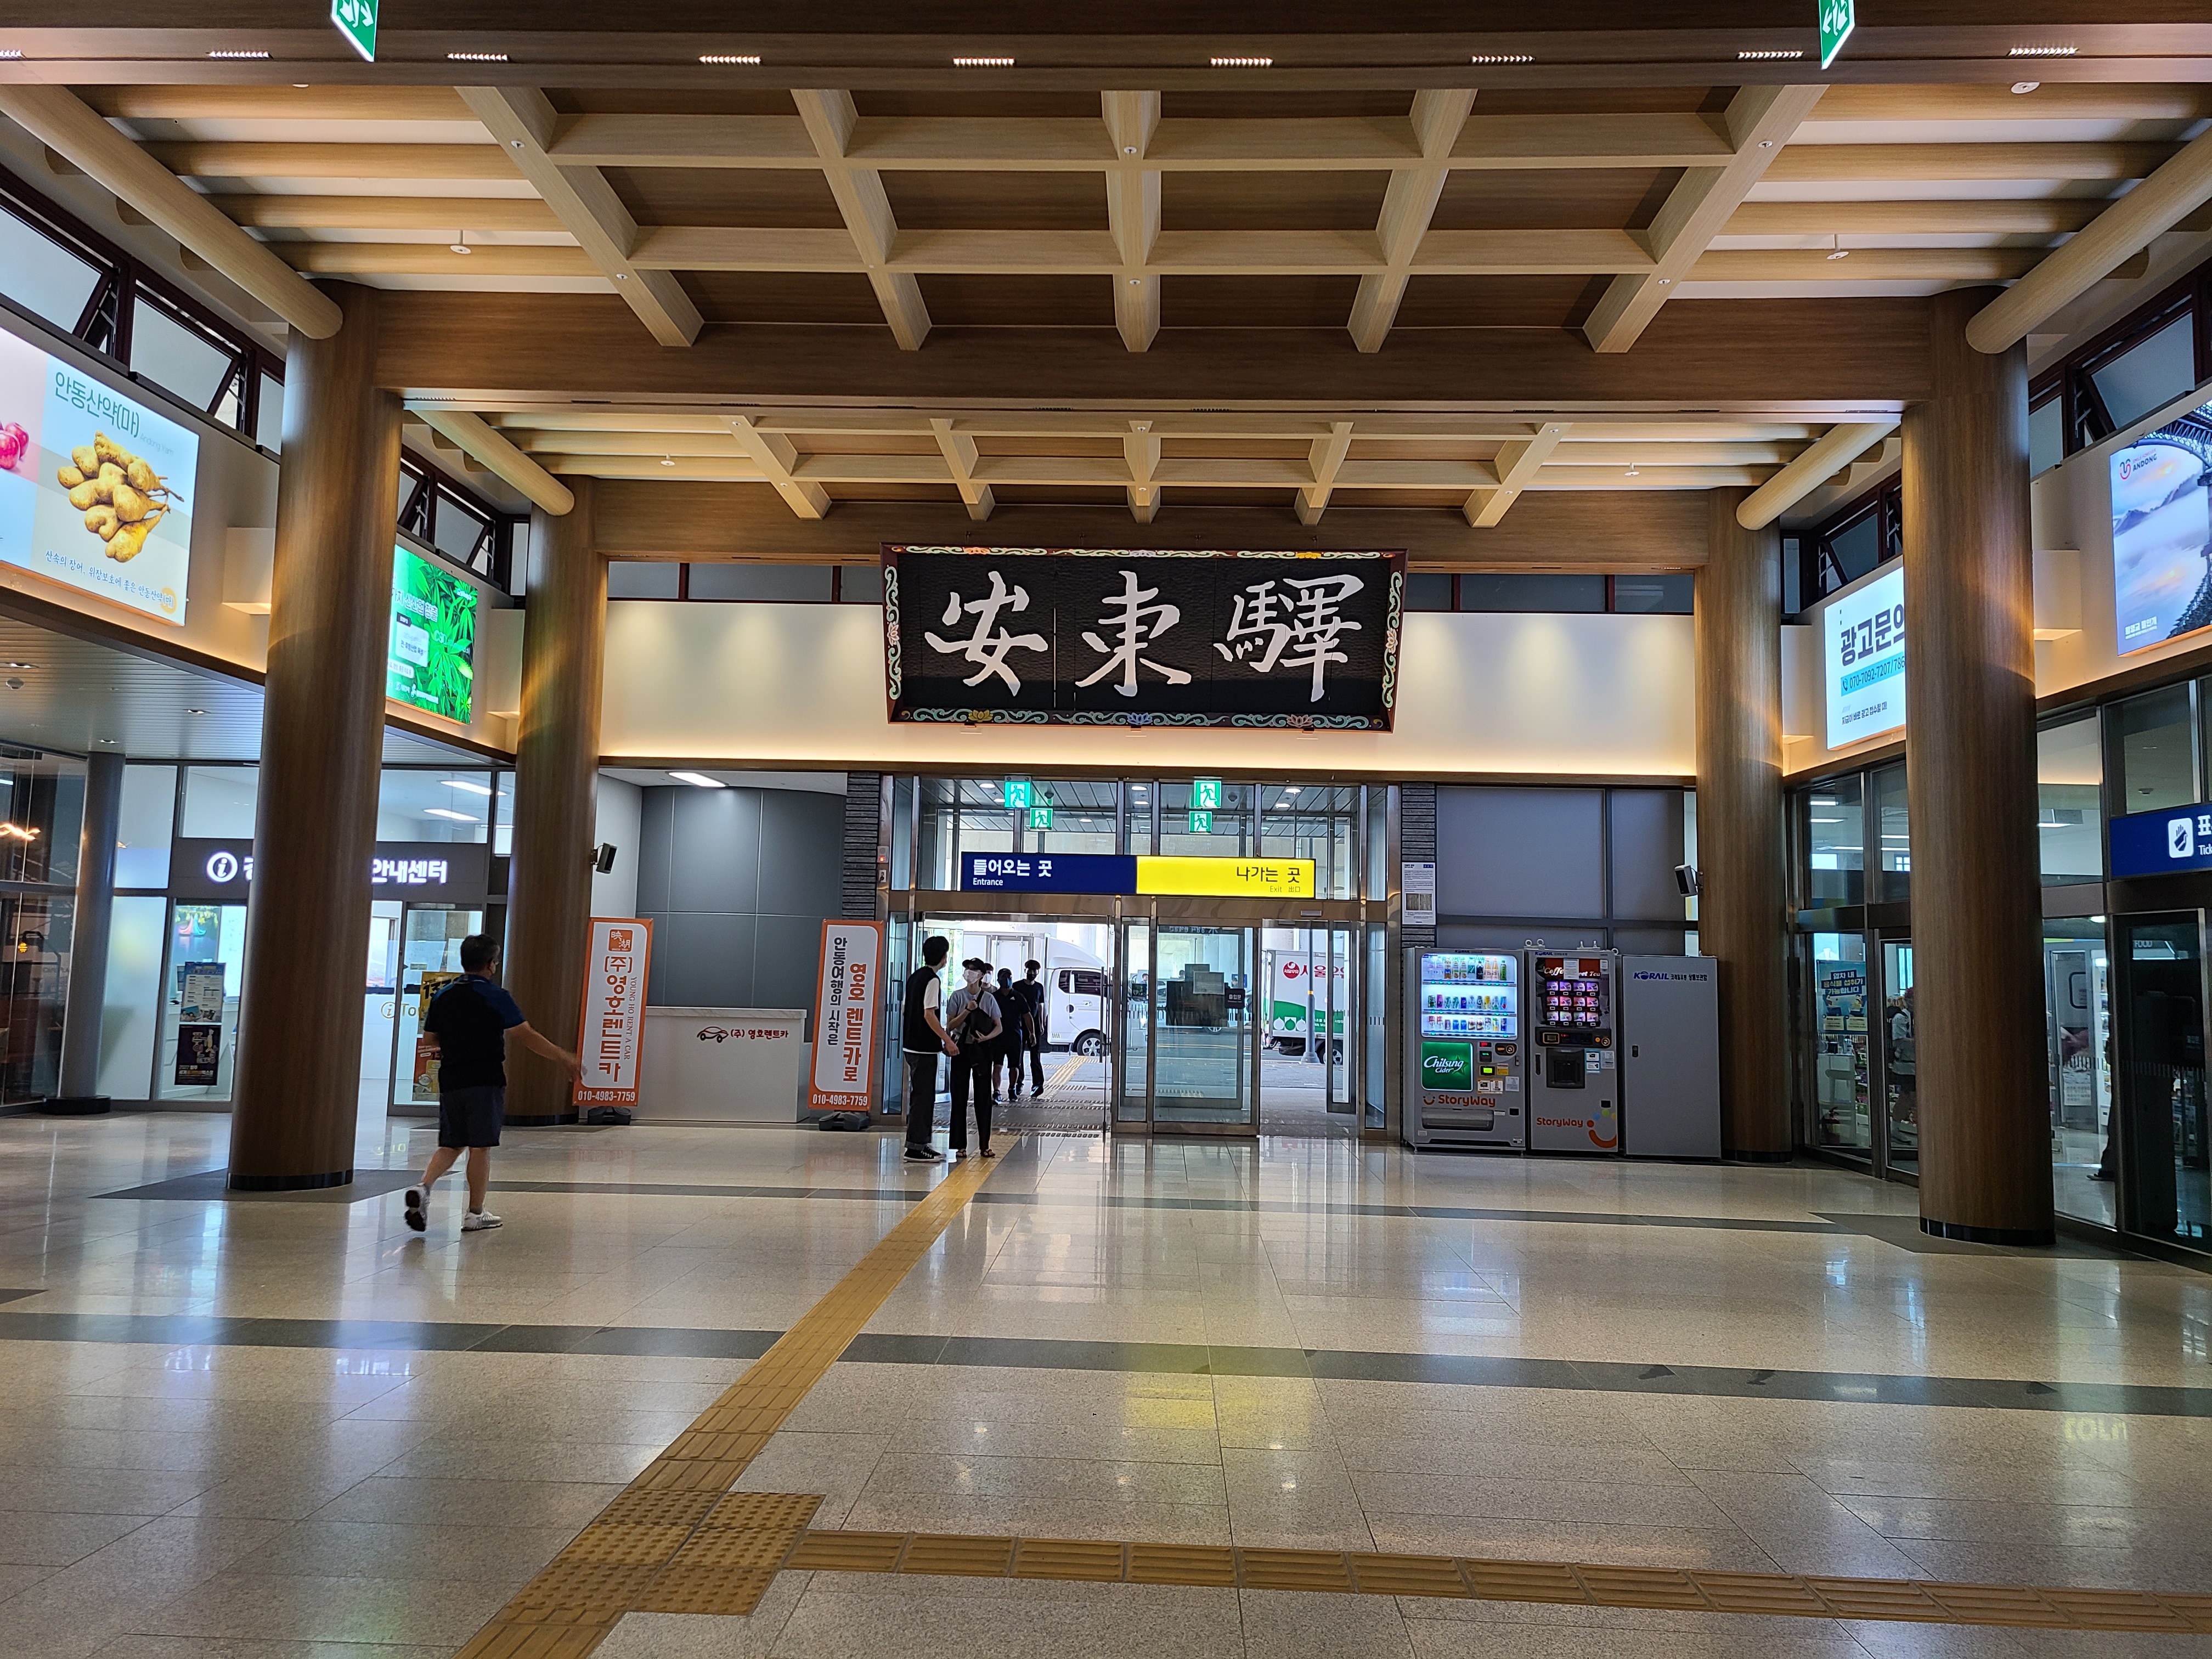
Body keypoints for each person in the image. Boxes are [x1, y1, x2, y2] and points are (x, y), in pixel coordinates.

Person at [405, 934, 580, 1234]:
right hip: (484, 1079)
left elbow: (430, 1039)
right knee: (480, 1146)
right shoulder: (495, 995)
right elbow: (525, 1035)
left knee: (451, 1143)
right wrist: (563, 1056)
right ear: (490, 965)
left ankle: (424, 1188)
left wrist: (456, 1043)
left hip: (451, 1078)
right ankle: (475, 1213)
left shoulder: (443, 995)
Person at [901, 934, 958, 1164]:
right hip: (923, 1049)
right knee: (923, 1099)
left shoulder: (915, 977)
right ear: (944, 957)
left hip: (911, 1046)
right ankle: (916, 1148)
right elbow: (929, 1014)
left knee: (920, 1096)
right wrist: (947, 1040)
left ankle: (921, 1144)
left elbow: (908, 1009)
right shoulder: (933, 980)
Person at [942, 958, 1003, 1159]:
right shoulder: (957, 996)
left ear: (982, 975)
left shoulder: (989, 999)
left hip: (982, 1051)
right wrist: (968, 1010)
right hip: (960, 1049)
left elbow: (999, 1027)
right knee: (959, 1097)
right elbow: (950, 1026)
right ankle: (960, 1145)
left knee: (983, 1098)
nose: (970, 973)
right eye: (968, 969)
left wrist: (986, 1038)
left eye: (974, 970)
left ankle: (985, 1145)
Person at [995, 966, 1026, 1101]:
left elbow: (1027, 1015)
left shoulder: (1018, 996)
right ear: (998, 980)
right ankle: (997, 1091)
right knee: (998, 1065)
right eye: (1004, 977)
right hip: (998, 1037)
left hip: (1015, 1036)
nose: (1007, 980)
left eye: (1010, 977)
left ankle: (1012, 1089)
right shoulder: (994, 997)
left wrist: (1032, 1033)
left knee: (1014, 1065)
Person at [1022, 960, 1047, 1096]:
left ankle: (1038, 1084)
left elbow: (1040, 1005)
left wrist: (1041, 1023)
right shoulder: (1017, 986)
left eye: (1035, 971)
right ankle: (1018, 1082)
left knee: (1035, 1056)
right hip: (1020, 1026)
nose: (1032, 973)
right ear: (1025, 971)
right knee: (1018, 1056)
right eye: (1030, 970)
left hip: (1036, 1026)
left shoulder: (1039, 987)